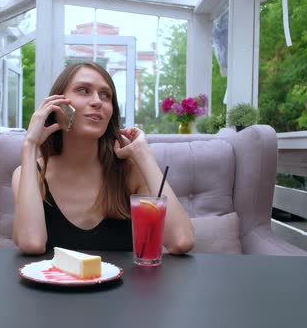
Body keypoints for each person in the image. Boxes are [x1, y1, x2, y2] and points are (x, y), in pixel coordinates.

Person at [11, 62, 195, 255]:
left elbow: (181, 241)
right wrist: (30, 144)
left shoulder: (129, 172)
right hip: (53, 285)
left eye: (105, 95)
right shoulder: (29, 174)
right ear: (57, 105)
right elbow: (31, 243)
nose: (97, 101)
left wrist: (143, 154)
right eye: (83, 90)